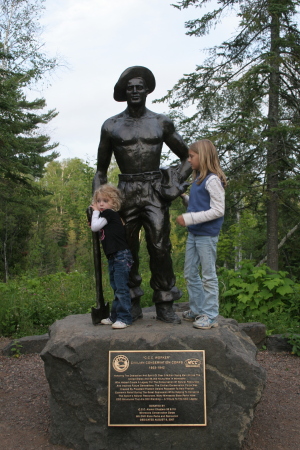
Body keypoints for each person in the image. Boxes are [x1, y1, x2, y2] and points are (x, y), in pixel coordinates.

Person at [93, 66, 191, 324]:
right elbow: (101, 171)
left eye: (139, 87)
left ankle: (165, 301)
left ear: (147, 90)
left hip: (154, 191)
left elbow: (188, 157)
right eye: (130, 88)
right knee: (126, 250)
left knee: (160, 247)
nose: (135, 91)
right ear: (124, 93)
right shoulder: (111, 125)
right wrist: (96, 204)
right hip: (124, 192)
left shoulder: (160, 122)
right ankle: (130, 301)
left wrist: (175, 183)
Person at [176, 139, 227, 329]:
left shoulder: (212, 180)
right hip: (194, 234)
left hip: (206, 235)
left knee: (208, 275)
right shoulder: (198, 179)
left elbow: (218, 210)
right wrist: (184, 197)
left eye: (191, 156)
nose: (189, 160)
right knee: (190, 273)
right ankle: (197, 310)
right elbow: (199, 205)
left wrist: (189, 219)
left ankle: (211, 315)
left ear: (203, 156)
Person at [90, 184, 133, 329]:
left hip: (121, 255)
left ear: (113, 203)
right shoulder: (106, 216)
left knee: (121, 288)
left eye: (105, 201)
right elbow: (96, 225)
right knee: (116, 287)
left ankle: (125, 317)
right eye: (98, 201)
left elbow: (95, 227)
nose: (101, 204)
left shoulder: (109, 213)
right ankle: (115, 316)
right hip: (114, 256)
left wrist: (95, 212)